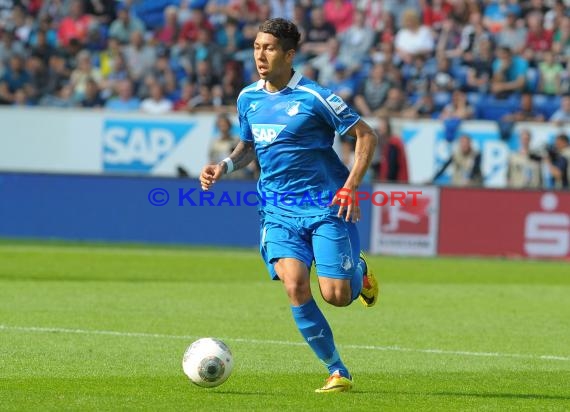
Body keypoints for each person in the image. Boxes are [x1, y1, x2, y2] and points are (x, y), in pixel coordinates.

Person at [199, 18, 379, 393]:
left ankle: (357, 272)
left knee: (337, 296)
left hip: (325, 207)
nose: (260, 55)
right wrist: (225, 166)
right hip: (278, 211)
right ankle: (337, 370)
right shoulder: (248, 97)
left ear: (289, 54)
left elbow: (365, 134)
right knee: (295, 286)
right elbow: (248, 146)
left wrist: (351, 186)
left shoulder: (315, 97)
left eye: (269, 48)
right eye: (256, 47)